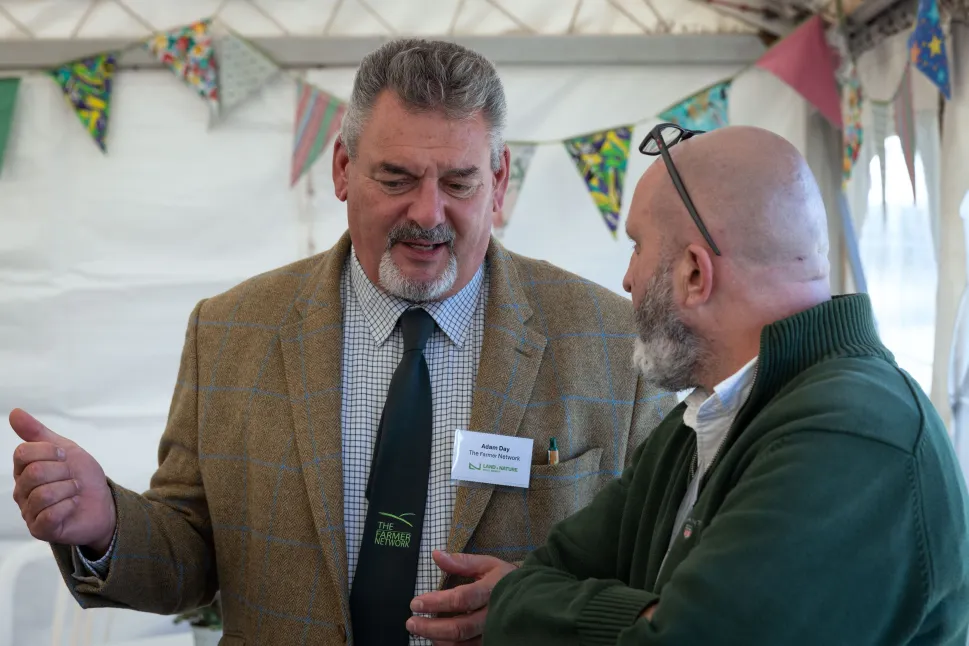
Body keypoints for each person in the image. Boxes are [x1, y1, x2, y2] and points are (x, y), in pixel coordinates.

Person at [7, 39, 677, 646]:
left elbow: (663, 573)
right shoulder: (232, 330)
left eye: (458, 182)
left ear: (499, 182)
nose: (427, 213)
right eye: (395, 178)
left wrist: (537, 602)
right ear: (340, 169)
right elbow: (191, 555)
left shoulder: (611, 341)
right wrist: (105, 527)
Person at [482, 123, 969, 645]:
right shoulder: (695, 425)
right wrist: (643, 614)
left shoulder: (857, 436)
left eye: (637, 247)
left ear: (695, 273)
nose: (627, 278)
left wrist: (631, 619)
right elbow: (535, 578)